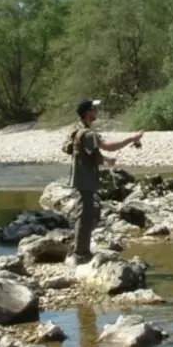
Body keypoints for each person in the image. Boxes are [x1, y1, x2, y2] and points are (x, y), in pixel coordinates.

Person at [67, 98, 143, 264]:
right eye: (94, 109)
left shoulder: (81, 130)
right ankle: (80, 254)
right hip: (84, 180)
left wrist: (107, 160)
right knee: (84, 215)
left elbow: (91, 154)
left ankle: (82, 251)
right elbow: (108, 146)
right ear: (88, 113)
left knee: (87, 213)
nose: (97, 112)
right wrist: (132, 138)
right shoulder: (87, 133)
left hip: (84, 179)